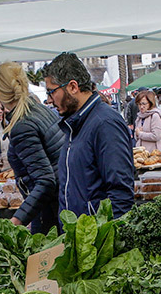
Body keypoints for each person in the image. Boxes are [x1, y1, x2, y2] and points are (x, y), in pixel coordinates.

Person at [41, 52, 134, 218]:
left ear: (73, 87)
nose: (49, 100)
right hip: (79, 237)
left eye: (52, 92)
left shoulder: (105, 123)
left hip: (95, 239)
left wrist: (110, 240)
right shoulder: (75, 123)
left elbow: (121, 193)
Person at [0, 61, 64, 234]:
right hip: (60, 206)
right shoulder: (39, 110)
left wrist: (16, 220)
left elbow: (45, 181)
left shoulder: (23, 125)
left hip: (49, 214)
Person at [133, 89, 161, 155]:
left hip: (155, 154)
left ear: (150, 103)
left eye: (144, 104)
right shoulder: (139, 117)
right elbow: (136, 136)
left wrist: (140, 134)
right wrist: (137, 134)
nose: (141, 106)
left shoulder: (155, 116)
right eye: (139, 104)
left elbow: (156, 136)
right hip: (142, 154)